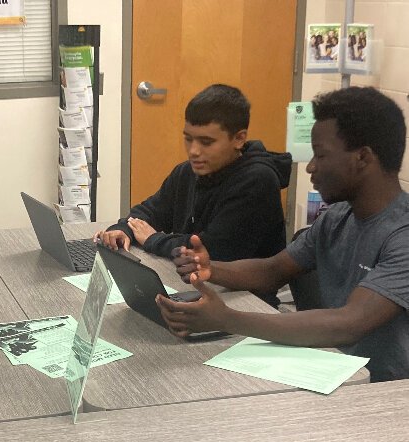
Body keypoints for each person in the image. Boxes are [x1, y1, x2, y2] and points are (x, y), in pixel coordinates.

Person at [159, 86, 409, 383]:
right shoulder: (338, 217)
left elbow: (349, 323)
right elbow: (273, 269)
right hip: (331, 371)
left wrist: (227, 318)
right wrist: (211, 269)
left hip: (382, 394)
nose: (311, 167)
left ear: (363, 158)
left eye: (321, 155)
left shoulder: (402, 235)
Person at [95, 84, 291, 305]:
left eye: (206, 142)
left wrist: (152, 239)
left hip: (244, 301)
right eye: (188, 138)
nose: (194, 150)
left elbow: (210, 250)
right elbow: (149, 211)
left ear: (239, 139)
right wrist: (123, 231)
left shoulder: (258, 181)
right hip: (192, 286)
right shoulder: (187, 171)